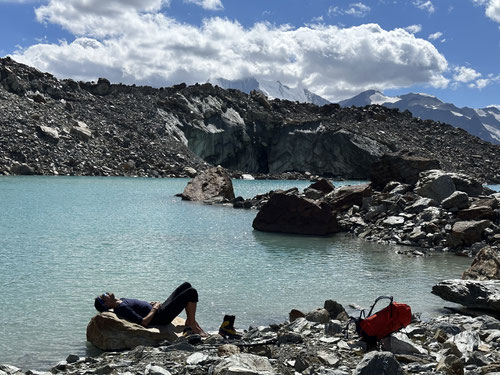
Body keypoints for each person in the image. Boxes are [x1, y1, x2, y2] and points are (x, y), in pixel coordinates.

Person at [94, 282, 205, 335]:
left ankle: (190, 321)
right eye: (104, 296)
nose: (106, 293)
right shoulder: (122, 308)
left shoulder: (120, 301)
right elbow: (144, 322)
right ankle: (192, 323)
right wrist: (155, 308)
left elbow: (139, 307)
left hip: (158, 310)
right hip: (161, 317)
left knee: (186, 285)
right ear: (106, 304)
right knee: (191, 292)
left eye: (104, 293)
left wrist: (150, 304)